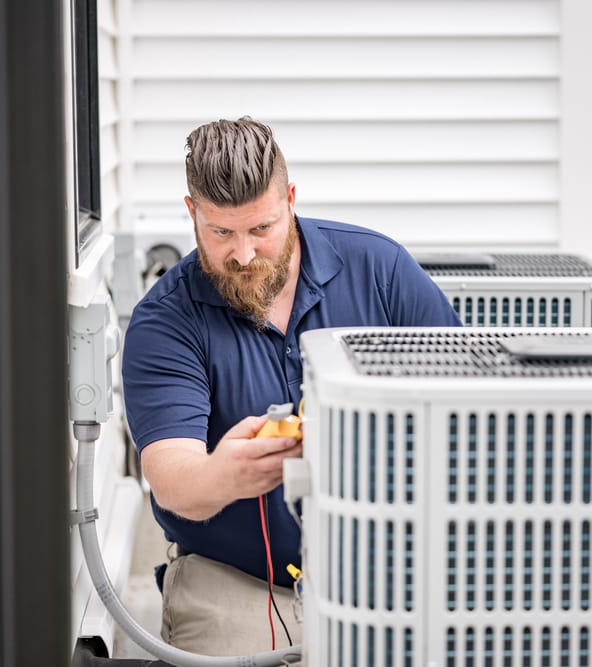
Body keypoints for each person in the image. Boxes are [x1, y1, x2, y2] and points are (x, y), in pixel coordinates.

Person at [121, 116, 462, 656]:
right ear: (192, 213)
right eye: (220, 233)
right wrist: (224, 474)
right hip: (232, 579)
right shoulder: (164, 321)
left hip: (385, 568)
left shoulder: (381, 269)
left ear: (291, 200)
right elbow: (173, 481)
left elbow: (464, 406)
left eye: (262, 228)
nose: (243, 254)